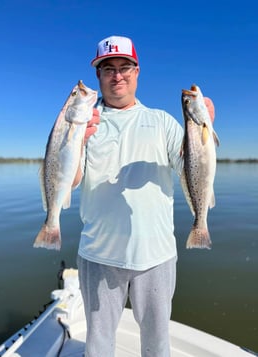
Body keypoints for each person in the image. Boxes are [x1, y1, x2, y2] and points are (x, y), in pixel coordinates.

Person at [76, 35, 215, 357]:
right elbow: (69, 182)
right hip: (98, 254)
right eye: (108, 69)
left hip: (156, 255)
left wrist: (204, 129)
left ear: (137, 72)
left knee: (157, 342)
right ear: (98, 76)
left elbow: (190, 167)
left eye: (125, 67)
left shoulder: (162, 121)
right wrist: (77, 142)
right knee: (98, 343)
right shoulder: (84, 122)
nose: (117, 75)